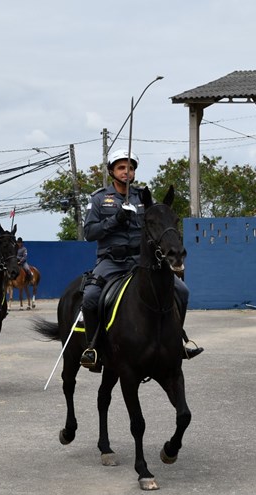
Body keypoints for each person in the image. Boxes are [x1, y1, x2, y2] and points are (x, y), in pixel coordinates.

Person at [80, 149, 203, 371]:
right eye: (121, 167)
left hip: (140, 261)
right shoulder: (99, 199)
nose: (127, 172)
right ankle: (93, 349)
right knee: (90, 297)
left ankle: (176, 342)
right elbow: (89, 233)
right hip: (111, 261)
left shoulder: (142, 198)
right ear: (111, 171)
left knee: (182, 291)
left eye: (131, 167)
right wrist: (116, 218)